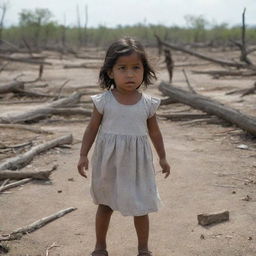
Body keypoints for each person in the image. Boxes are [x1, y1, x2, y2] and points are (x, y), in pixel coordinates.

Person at [77, 37, 171, 256]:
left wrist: (163, 157)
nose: (130, 74)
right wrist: (83, 155)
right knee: (105, 205)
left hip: (137, 165)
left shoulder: (148, 103)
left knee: (141, 206)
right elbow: (91, 129)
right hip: (109, 163)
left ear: (144, 71)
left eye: (136, 68)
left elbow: (155, 132)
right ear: (110, 72)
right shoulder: (103, 101)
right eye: (122, 68)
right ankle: (100, 247)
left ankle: (143, 249)